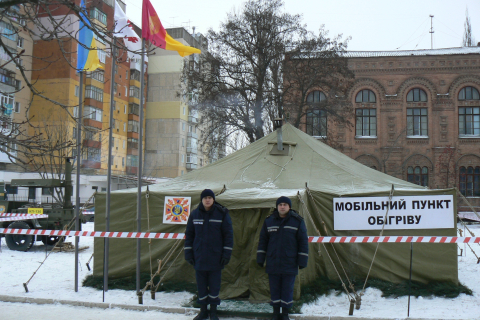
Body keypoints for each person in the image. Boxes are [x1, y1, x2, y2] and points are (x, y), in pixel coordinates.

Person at [257, 196, 309, 320]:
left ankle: (285, 313)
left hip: (289, 262)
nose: (282, 207)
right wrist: (260, 257)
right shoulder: (269, 221)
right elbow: (263, 241)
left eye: (285, 204)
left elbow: (303, 242)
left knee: (287, 289)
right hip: (273, 261)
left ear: (289, 207)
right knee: (274, 289)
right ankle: (275, 313)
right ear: (277, 206)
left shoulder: (297, 221)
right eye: (280, 205)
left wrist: (302, 260)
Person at [185, 189, 234, 320]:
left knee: (214, 286)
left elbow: (228, 235)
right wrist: (188, 253)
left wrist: (226, 254)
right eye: (205, 198)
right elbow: (189, 235)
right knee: (201, 286)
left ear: (213, 199)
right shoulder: (195, 214)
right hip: (199, 257)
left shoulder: (222, 214)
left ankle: (213, 312)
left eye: (210, 198)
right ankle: (203, 311)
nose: (207, 200)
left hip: (216, 257)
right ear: (201, 200)